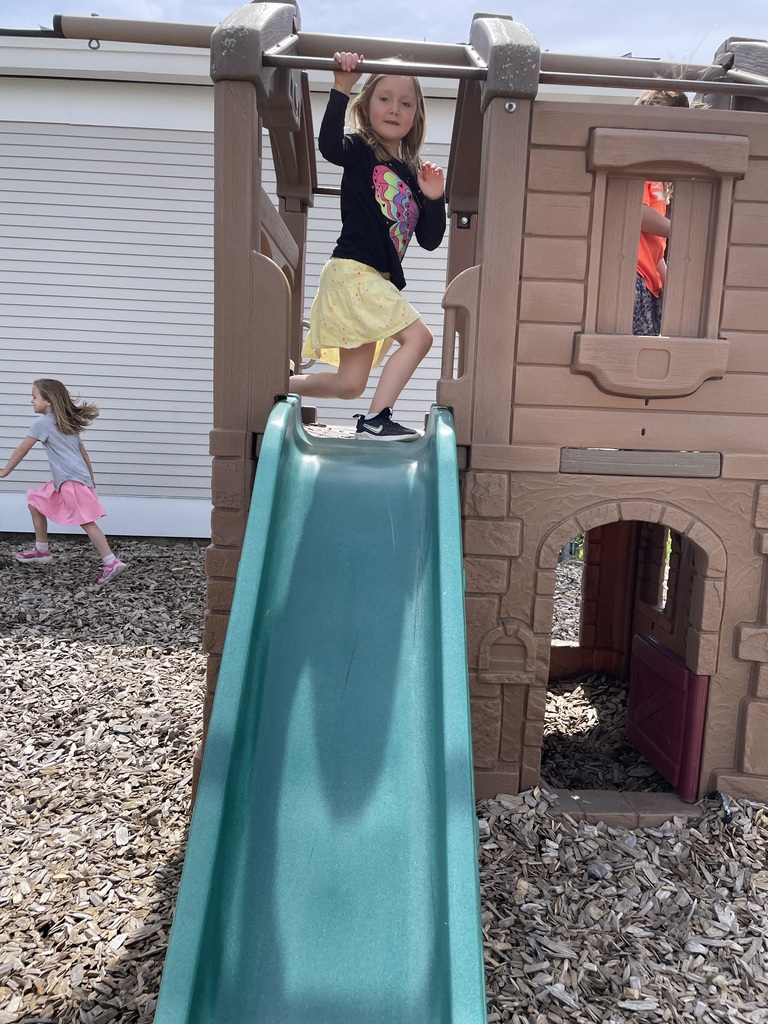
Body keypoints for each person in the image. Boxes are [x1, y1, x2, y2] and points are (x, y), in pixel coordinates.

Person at [290, 51, 446, 439]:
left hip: (371, 281)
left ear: (416, 117)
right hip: (353, 271)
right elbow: (328, 147)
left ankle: (277, 385)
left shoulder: (412, 174)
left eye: (405, 103)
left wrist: (433, 197)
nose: (395, 109)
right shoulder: (360, 150)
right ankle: (377, 419)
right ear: (367, 105)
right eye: (385, 98)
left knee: (350, 384)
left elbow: (429, 239)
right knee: (420, 338)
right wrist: (341, 88)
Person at [0, 379, 127, 585]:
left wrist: (5, 471)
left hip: (71, 480)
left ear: (48, 401)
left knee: (86, 521)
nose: (31, 401)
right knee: (35, 501)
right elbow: (82, 452)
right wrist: (90, 477)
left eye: (34, 397)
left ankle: (111, 561)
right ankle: (42, 550)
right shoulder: (65, 422)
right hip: (71, 479)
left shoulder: (42, 423)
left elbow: (22, 449)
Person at [633, 89, 689, 336]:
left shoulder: (661, 179)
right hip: (634, 276)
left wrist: (672, 285)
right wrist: (680, 230)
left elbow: (656, 251)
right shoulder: (638, 167)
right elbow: (637, 213)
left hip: (651, 282)